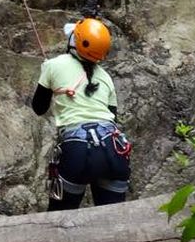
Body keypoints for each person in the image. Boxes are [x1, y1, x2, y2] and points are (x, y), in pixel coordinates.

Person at [31, 17, 131, 211]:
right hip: (113, 148)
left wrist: (48, 77)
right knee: (111, 222)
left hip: (77, 148)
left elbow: (39, 107)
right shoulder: (106, 78)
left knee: (61, 221)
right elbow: (113, 118)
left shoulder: (54, 65)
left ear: (74, 41)